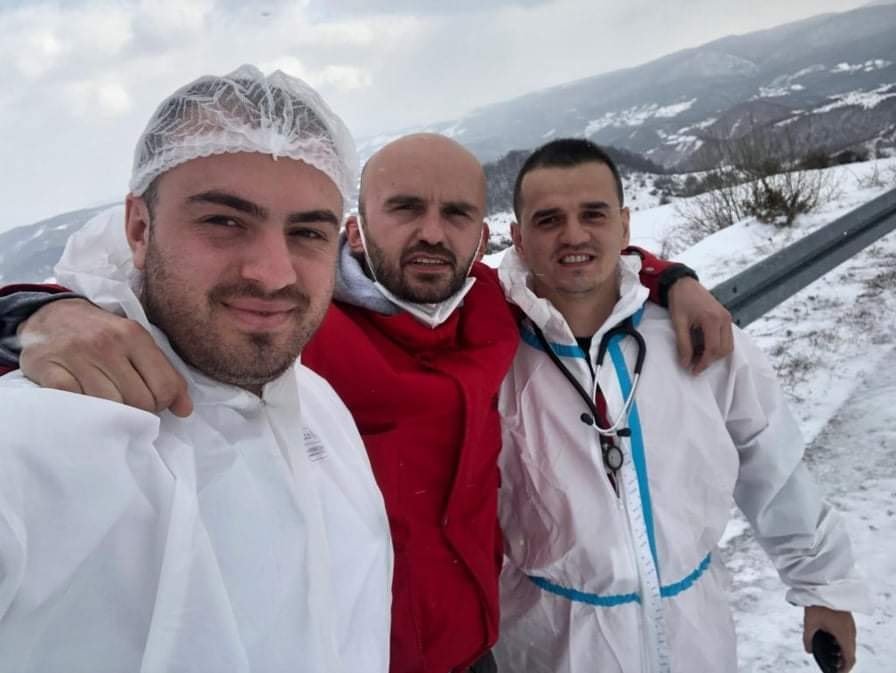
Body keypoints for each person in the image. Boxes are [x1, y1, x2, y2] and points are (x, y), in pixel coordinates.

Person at [0, 133, 733, 672]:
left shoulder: (493, 303)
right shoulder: (291, 327)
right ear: (356, 225)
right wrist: (34, 313)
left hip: (482, 647)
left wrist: (674, 280)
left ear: (481, 236)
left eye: (455, 214)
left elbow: (581, 265)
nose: (431, 232)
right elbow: (151, 300)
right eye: (405, 208)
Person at [0, 65, 393, 673]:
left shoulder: (317, 403)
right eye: (223, 221)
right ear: (139, 229)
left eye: (307, 232)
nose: (273, 273)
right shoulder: (35, 438)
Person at [493, 138, 870, 673]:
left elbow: (770, 462)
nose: (574, 235)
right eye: (549, 219)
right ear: (518, 238)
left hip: (695, 633)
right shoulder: (492, 358)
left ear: (624, 225)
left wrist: (823, 585)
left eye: (593, 214)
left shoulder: (694, 336)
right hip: (551, 644)